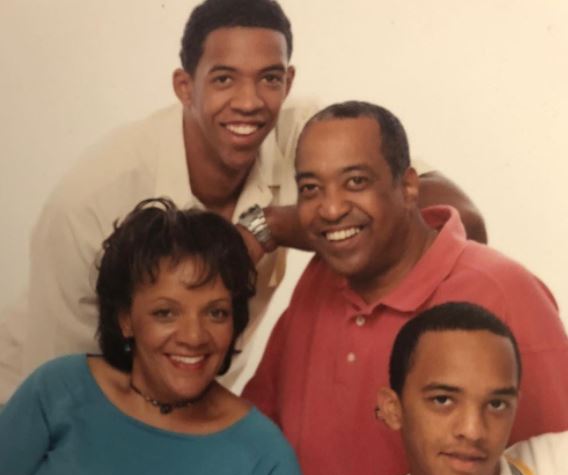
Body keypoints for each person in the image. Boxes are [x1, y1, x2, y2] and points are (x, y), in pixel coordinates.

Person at [0, 0, 485, 403]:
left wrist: (270, 225)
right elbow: (57, 392)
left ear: (288, 83)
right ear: (184, 87)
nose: (250, 102)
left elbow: (460, 218)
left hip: (196, 406)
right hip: (40, 409)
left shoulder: (306, 133)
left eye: (269, 79)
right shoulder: (91, 201)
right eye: (225, 79)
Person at [243, 101, 568, 475]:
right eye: (311, 188)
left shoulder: (501, 291)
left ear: (409, 186)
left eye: (356, 182)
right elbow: (260, 426)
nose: (332, 209)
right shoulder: (321, 279)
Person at [0, 199, 316, 475]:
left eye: (215, 312)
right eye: (166, 312)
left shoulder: (262, 456)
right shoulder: (59, 389)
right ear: (125, 319)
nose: (194, 337)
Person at [338, 302, 568, 475]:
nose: (473, 431)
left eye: (496, 404)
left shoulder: (559, 465)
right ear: (392, 409)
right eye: (443, 400)